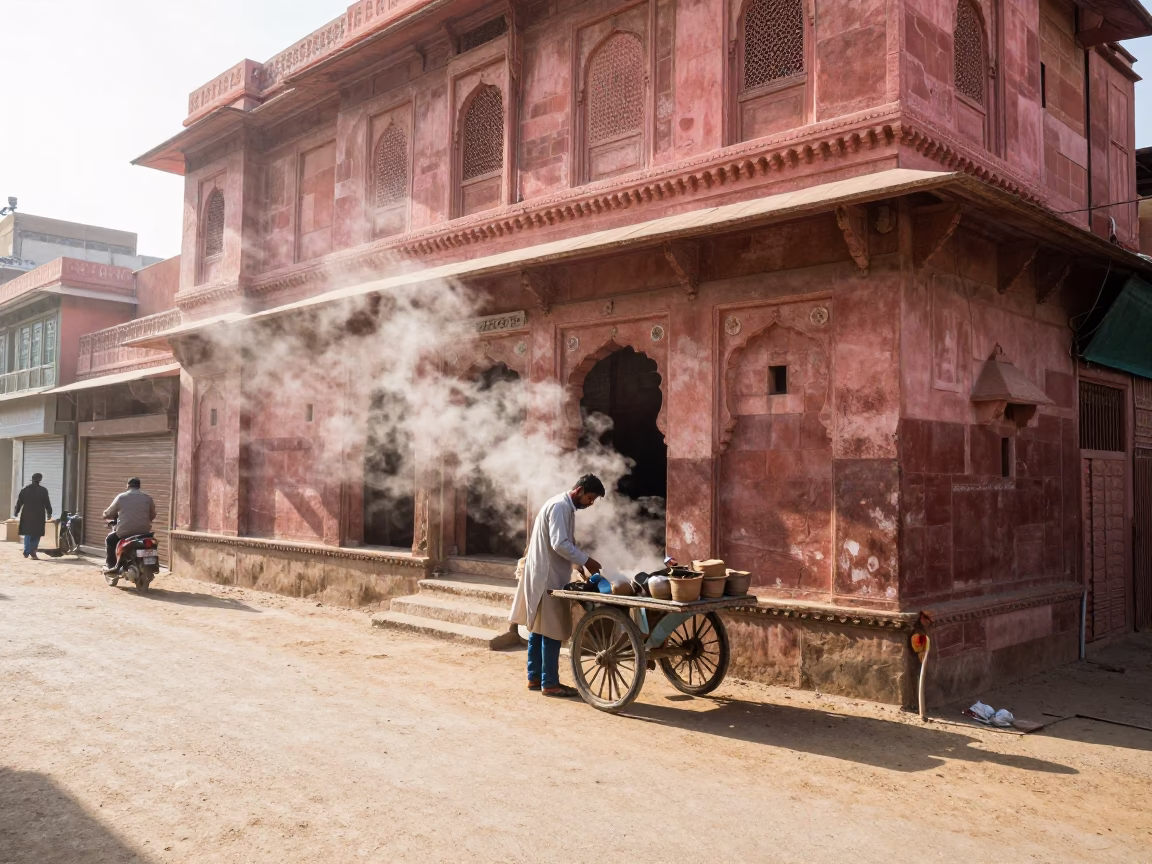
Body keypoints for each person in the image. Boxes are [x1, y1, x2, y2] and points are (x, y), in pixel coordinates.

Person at [509, 474, 605, 698]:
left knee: (539, 628)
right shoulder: (560, 506)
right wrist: (587, 561)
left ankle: (534, 677)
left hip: (546, 574)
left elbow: (566, 543)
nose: (590, 503)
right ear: (579, 490)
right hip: (547, 576)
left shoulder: (564, 507)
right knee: (551, 630)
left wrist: (579, 565)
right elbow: (559, 543)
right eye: (590, 498)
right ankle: (550, 683)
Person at [103, 478, 156, 572]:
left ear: (127, 486)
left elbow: (109, 513)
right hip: (144, 532)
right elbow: (153, 515)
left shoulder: (121, 497)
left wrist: (105, 515)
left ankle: (111, 567)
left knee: (110, 540)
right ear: (139, 486)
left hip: (125, 532)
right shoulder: (148, 498)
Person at [14, 473, 52, 560]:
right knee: (37, 533)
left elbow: (19, 502)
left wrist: (16, 512)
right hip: (39, 515)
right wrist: (49, 513)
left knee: (28, 533)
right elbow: (47, 503)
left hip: (27, 515)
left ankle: (27, 551)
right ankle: (33, 551)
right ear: (40, 480)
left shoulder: (25, 490)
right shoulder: (43, 491)